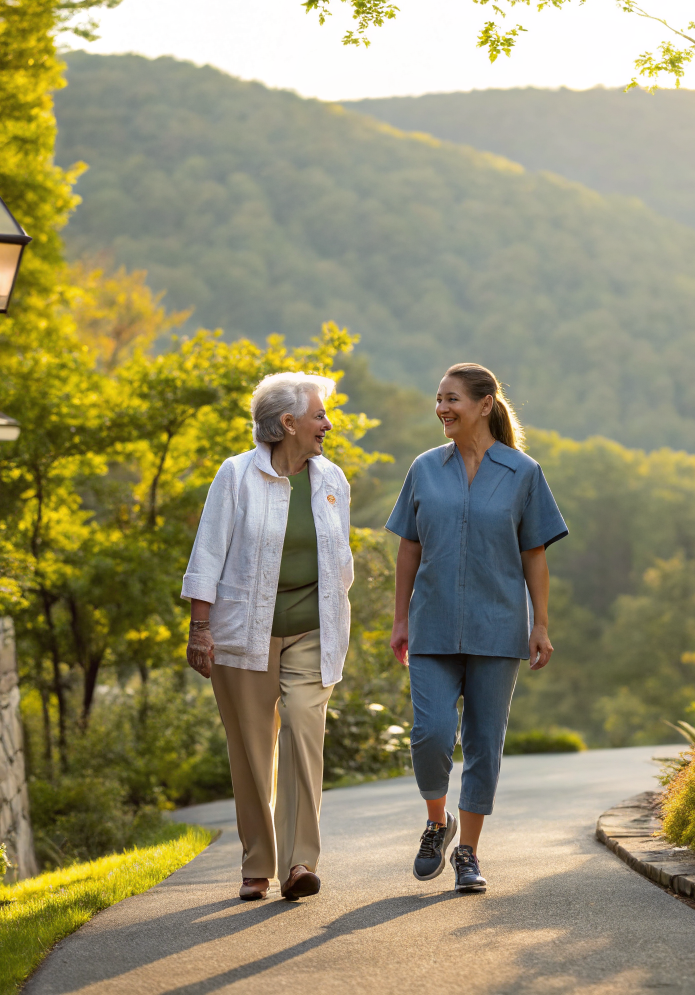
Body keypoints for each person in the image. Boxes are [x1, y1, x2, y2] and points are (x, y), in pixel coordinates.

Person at [386, 363, 568, 892]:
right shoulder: (424, 469)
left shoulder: (523, 473)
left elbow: (534, 554)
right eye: (438, 398)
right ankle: (435, 822)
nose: (442, 408)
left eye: (453, 399)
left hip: (498, 626)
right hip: (432, 624)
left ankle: (467, 851)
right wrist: (400, 618)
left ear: (484, 405)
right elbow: (408, 548)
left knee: (484, 743)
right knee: (431, 734)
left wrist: (541, 624)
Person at [182, 371, 354, 901]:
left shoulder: (331, 480)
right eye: (319, 415)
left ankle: (300, 863)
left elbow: (338, 558)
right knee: (252, 749)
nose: (327, 424)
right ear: (288, 423)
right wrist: (200, 629)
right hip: (241, 635)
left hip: (311, 629)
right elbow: (207, 554)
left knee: (304, 730)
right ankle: (257, 860)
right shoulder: (236, 476)